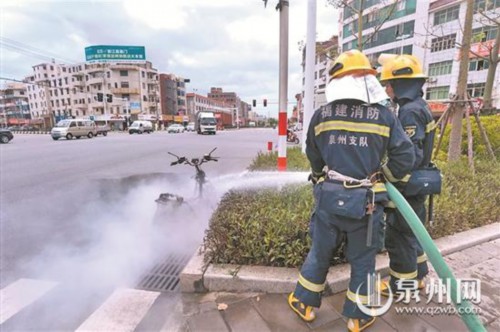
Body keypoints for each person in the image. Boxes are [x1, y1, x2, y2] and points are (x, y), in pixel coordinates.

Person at [288, 49, 415, 332]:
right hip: (367, 203)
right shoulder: (384, 117)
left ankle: (304, 302)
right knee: (362, 259)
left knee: (320, 253)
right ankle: (358, 316)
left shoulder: (322, 116)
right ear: (367, 80)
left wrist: (321, 176)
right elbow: (406, 156)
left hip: (328, 201)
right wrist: (385, 176)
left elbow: (313, 153)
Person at [378, 54, 436, 296]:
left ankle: (401, 285)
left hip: (407, 185)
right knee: (413, 230)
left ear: (400, 84)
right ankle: (419, 275)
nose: (387, 89)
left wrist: (386, 175)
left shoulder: (409, 112)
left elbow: (408, 155)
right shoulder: (420, 106)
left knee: (398, 234)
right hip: (419, 182)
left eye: (388, 84)